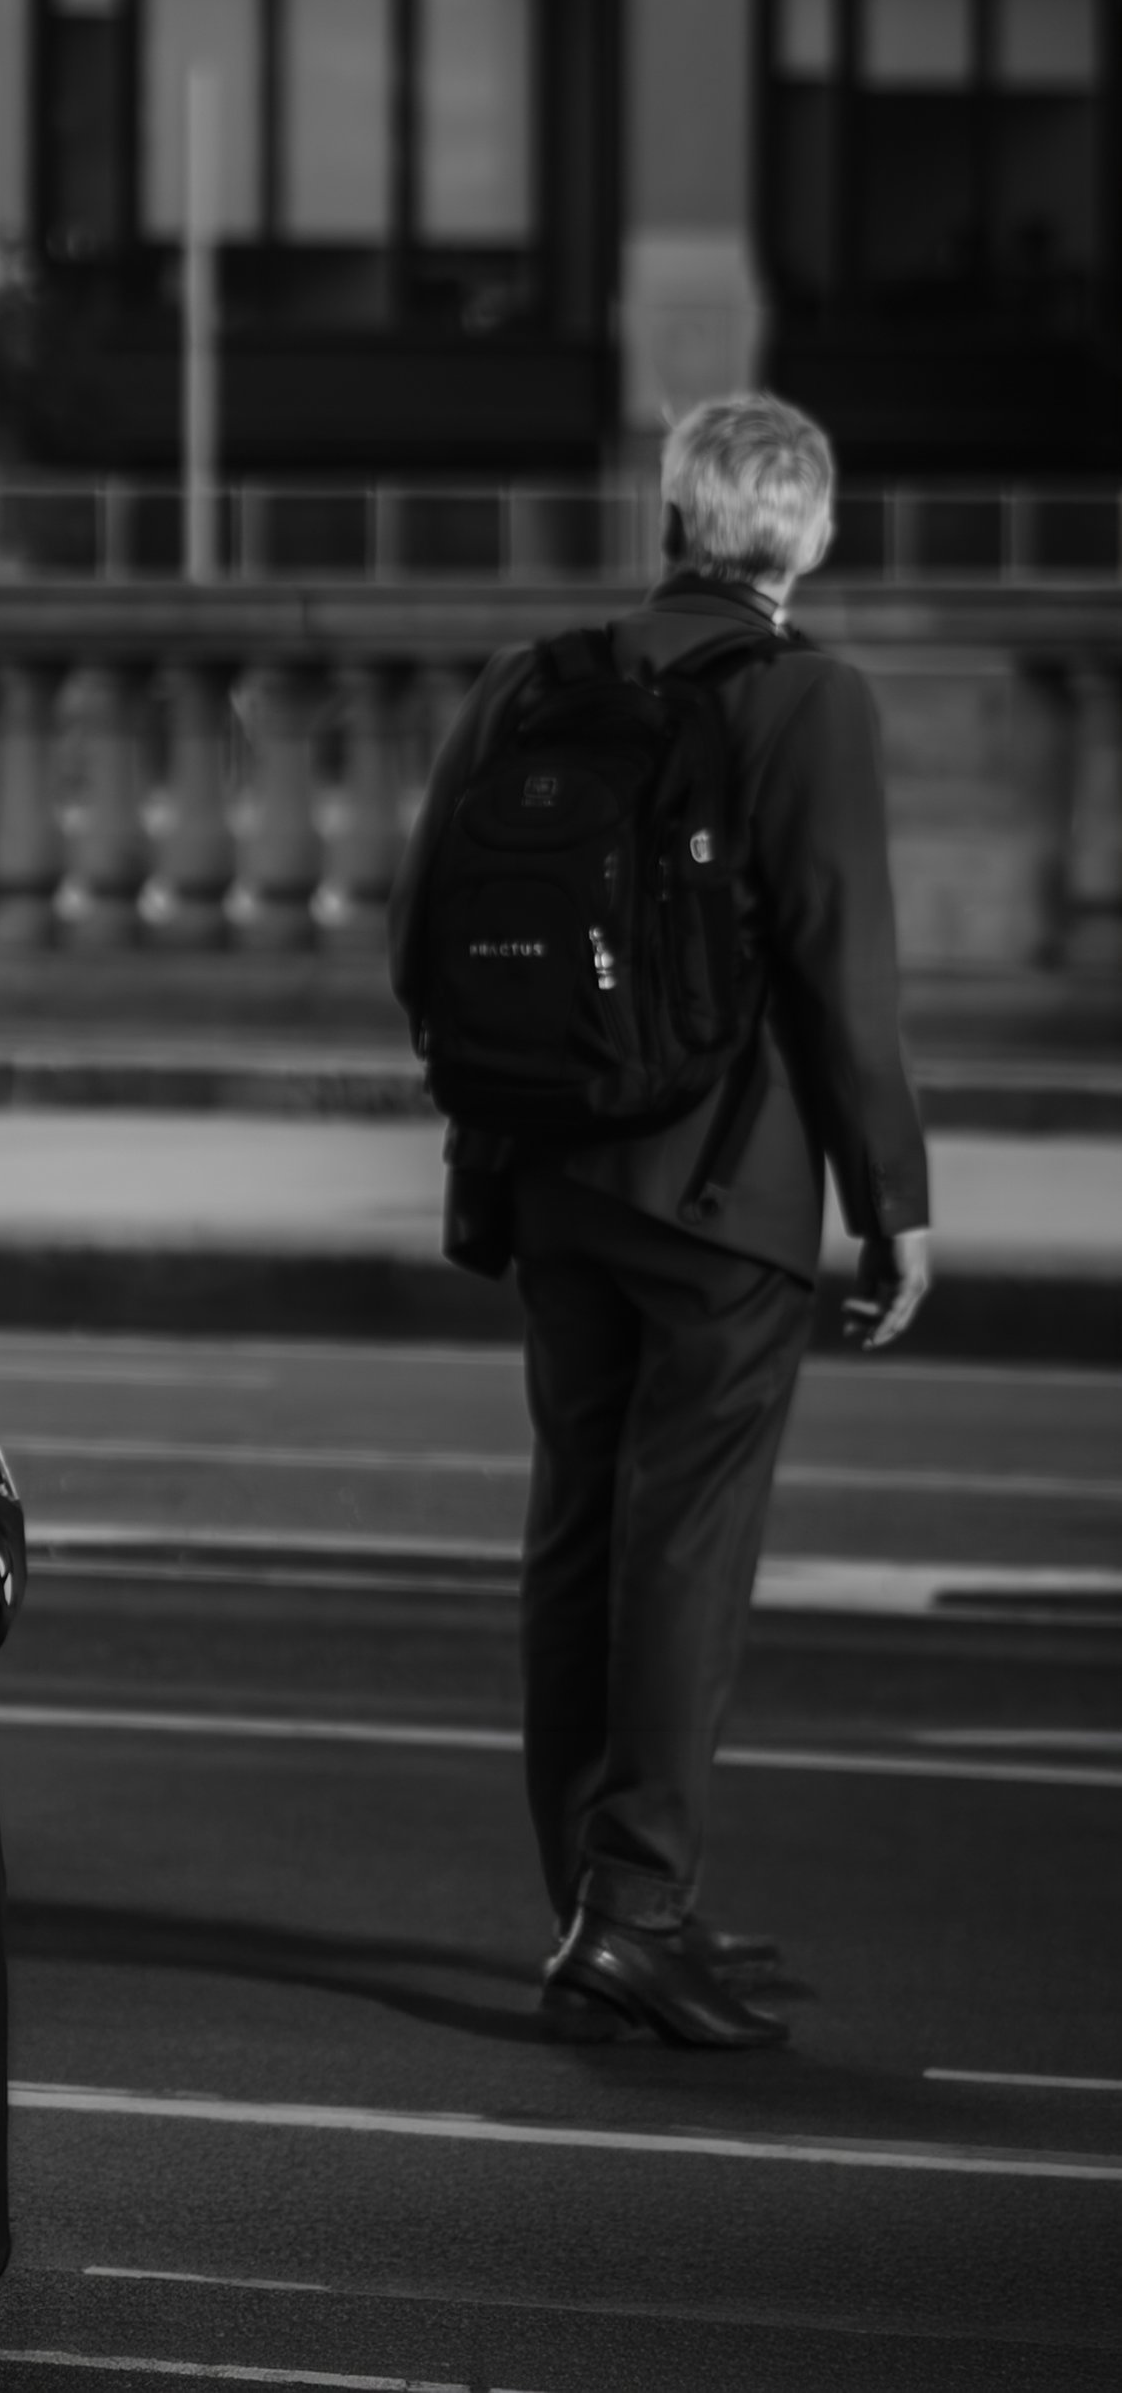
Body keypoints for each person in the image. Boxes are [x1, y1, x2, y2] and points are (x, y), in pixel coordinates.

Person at [388, 392, 931, 2053]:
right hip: (722, 1194)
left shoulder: (535, 681)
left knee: (577, 1534)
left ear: (678, 519)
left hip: (552, 1176)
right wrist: (891, 1200)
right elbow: (842, 968)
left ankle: (598, 1898)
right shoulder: (809, 696)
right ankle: (633, 1914)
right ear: (808, 535)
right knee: (686, 1549)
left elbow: (420, 930)